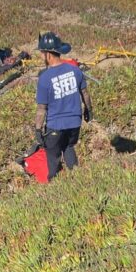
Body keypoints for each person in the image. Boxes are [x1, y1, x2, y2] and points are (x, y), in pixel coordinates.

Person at [34, 32, 92, 182]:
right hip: (75, 122)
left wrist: (38, 129)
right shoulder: (75, 70)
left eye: (41, 53)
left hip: (55, 125)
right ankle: (77, 178)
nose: (41, 56)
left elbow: (42, 108)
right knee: (68, 147)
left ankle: (54, 184)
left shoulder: (45, 78)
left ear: (48, 55)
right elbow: (84, 93)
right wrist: (88, 110)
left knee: (53, 156)